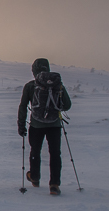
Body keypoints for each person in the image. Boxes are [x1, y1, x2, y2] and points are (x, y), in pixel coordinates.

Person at [18, 58, 72, 195]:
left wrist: (21, 124)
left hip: (36, 125)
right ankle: (54, 184)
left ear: (34, 70)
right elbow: (67, 105)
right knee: (55, 154)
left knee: (35, 151)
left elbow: (23, 106)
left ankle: (35, 177)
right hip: (54, 124)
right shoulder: (57, 84)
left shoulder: (30, 86)